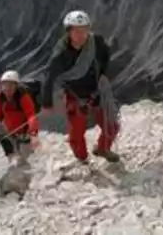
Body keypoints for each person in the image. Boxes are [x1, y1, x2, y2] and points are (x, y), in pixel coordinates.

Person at [40, 10, 121, 164]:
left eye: (85, 30)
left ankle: (103, 148)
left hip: (95, 91)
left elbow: (105, 54)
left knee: (111, 125)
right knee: (77, 133)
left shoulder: (96, 41)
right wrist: (47, 103)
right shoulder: (61, 53)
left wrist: (103, 73)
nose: (82, 35)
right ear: (69, 31)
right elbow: (49, 78)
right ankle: (82, 158)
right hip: (74, 95)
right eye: (77, 31)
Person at [0, 70, 40, 165]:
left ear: (16, 86)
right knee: (17, 155)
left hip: (24, 133)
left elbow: (31, 116)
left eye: (10, 85)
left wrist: (33, 134)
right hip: (10, 132)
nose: (7, 88)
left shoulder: (23, 97)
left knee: (28, 156)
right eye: (4, 85)